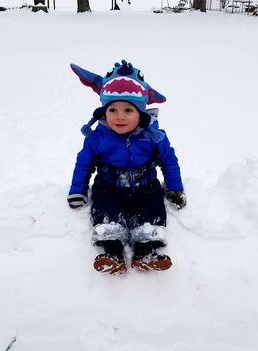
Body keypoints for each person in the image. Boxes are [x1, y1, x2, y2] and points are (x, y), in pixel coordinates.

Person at [67, 60, 186, 275]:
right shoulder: (98, 137)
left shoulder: (153, 136)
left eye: (128, 110)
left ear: (140, 113)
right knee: (106, 215)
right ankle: (111, 254)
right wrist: (77, 190)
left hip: (146, 187)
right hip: (108, 187)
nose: (119, 116)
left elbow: (169, 160)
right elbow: (83, 163)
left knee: (151, 213)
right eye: (112, 109)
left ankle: (146, 253)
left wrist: (175, 188)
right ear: (104, 111)